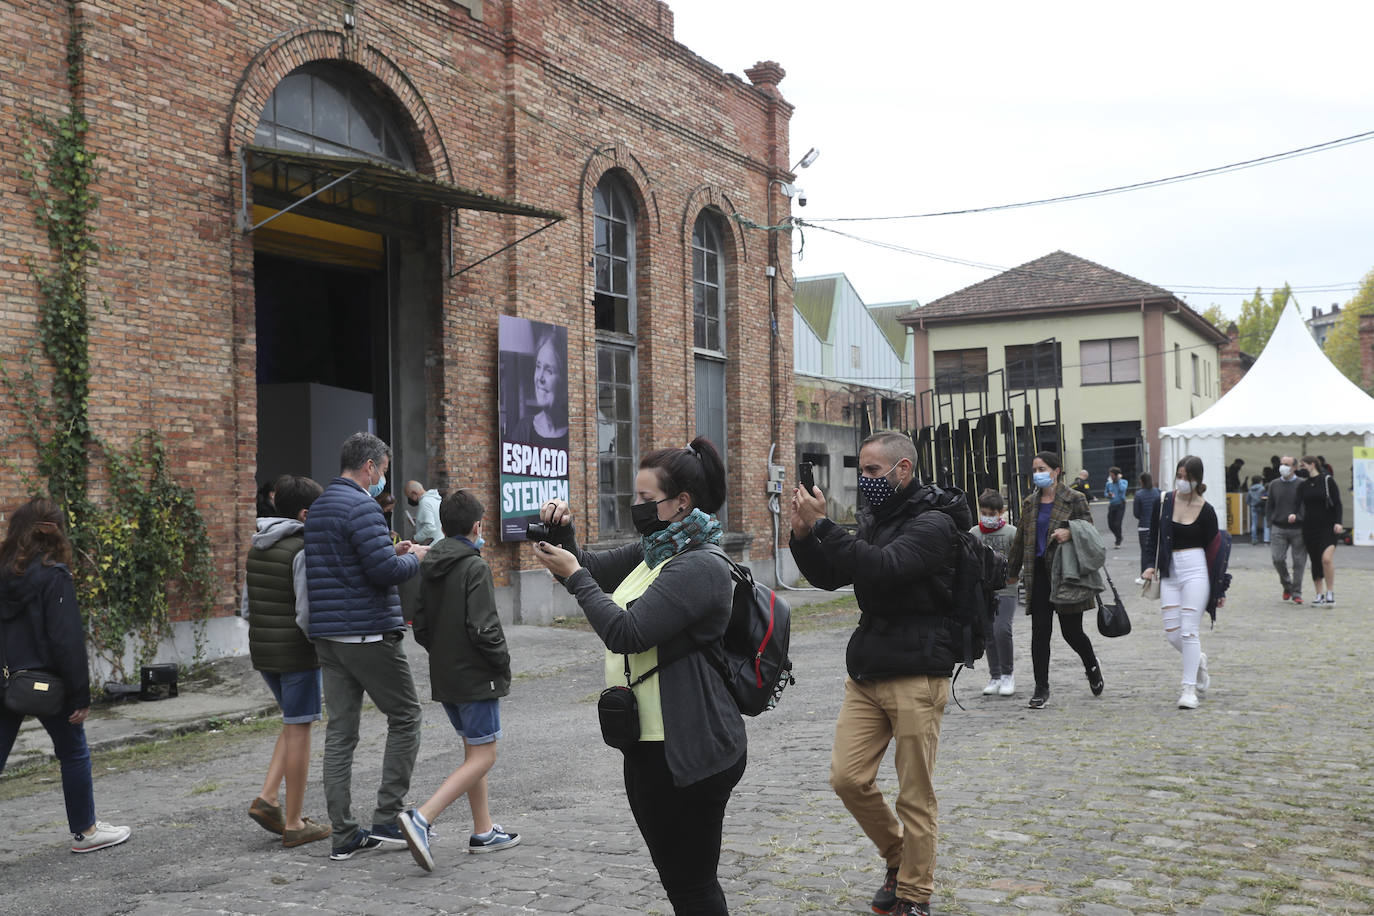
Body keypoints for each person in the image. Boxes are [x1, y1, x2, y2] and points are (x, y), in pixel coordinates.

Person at [530, 436, 745, 914]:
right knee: (679, 881)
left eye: (648, 499)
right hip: (651, 743)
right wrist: (562, 538)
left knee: (692, 885)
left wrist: (576, 577)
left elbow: (627, 631)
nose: (638, 507)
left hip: (691, 748)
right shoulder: (657, 549)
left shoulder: (700, 564)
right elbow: (589, 569)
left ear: (681, 503)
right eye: (637, 497)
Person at [789, 430, 966, 916]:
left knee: (915, 795)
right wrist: (805, 534)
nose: (864, 480)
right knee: (848, 779)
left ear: (902, 470)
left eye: (871, 471)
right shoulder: (874, 520)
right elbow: (833, 575)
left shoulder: (934, 524)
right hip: (868, 670)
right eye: (861, 471)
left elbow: (886, 568)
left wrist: (826, 526)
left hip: (917, 670)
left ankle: (913, 895)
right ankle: (898, 854)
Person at [304, 432, 430, 861]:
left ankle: (343, 835)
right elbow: (383, 572)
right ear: (371, 467)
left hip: (328, 636)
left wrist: (395, 547)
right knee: (407, 715)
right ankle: (386, 817)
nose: (383, 479)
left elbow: (348, 560)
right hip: (367, 634)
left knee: (340, 734)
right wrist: (416, 557)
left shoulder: (320, 506)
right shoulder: (363, 506)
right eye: (383, 471)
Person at [0, 497, 132, 854]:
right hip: (45, 684)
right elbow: (66, 640)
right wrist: (80, 696)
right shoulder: (53, 575)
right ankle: (86, 832)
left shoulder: (2, 571)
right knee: (73, 752)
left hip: (4, 678)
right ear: (54, 532)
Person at [399, 489, 519, 872]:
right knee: (486, 755)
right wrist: (501, 663)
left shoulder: (431, 564)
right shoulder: (475, 567)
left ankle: (483, 830)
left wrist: (445, 655)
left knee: (473, 753)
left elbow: (420, 625)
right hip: (475, 677)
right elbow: (484, 628)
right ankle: (422, 817)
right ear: (477, 526)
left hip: (446, 677)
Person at [243, 474, 332, 848]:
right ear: (305, 513)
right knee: (301, 729)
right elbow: (306, 613)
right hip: (297, 653)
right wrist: (322, 645)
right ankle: (295, 822)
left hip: (264, 651)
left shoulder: (257, 545)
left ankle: (268, 798)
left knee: (291, 724)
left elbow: (247, 607)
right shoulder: (301, 549)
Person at [1006, 451, 1104, 710]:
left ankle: (1091, 665)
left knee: (1071, 632)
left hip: (1065, 574)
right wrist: (1012, 572)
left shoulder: (1075, 499)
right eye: (1034, 469)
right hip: (1037, 574)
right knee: (1040, 632)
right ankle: (1041, 687)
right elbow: (1020, 539)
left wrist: (1069, 531)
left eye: (1042, 468)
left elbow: (1090, 531)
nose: (1037, 474)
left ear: (1057, 470)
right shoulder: (1030, 503)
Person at [1142, 456, 1229, 710]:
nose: (1182, 481)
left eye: (1187, 477)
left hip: (1196, 570)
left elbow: (1216, 552)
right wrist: (1148, 566)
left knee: (1189, 630)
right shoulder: (1164, 502)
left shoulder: (1206, 509)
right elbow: (1152, 537)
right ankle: (1198, 660)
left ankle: (1188, 688)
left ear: (1197, 479)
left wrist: (1220, 587)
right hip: (1169, 572)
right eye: (1179, 475)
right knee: (1173, 634)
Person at [973, 489, 1017, 698]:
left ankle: (1008, 674)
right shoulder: (974, 533)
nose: (988, 517)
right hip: (983, 590)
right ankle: (995, 675)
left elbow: (1019, 558)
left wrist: (1017, 575)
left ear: (1001, 512)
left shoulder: (1011, 532)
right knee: (988, 632)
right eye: (984, 512)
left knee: (1002, 629)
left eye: (992, 513)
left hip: (1006, 588)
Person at [508, 330, 568, 449]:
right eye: (538, 366)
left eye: (549, 370)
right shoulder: (523, 430)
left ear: (564, 381)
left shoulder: (575, 431)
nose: (539, 378)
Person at [1298, 456, 1343, 606]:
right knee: (1316, 561)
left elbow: (1337, 503)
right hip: (1309, 527)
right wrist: (1292, 514)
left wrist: (1338, 522)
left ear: (1312, 465)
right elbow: (1296, 504)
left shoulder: (1327, 480)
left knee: (1326, 559)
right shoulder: (1303, 485)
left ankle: (1330, 591)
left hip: (1328, 526)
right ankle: (1319, 594)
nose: (1301, 468)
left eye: (1303, 465)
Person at [1265, 455, 1306, 605]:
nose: (1283, 467)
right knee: (1277, 559)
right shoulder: (1274, 484)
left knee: (1299, 562)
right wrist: (1270, 522)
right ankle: (1287, 585)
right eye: (1282, 464)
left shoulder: (1302, 484)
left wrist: (1300, 517)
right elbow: (1269, 505)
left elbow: (1306, 505)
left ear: (1295, 467)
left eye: (1287, 464)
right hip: (1278, 527)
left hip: (1298, 528)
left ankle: (1297, 592)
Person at [1132, 473, 1161, 578]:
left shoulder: (1139, 494)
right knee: (1157, 550)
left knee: (1145, 552)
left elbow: (1136, 513)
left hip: (1144, 526)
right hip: (1157, 525)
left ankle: (1144, 575)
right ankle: (1158, 573)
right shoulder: (1158, 492)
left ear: (1142, 481)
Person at [403, 480, 443, 545]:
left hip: (432, 546)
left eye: (409, 497)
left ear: (414, 493)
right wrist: (419, 521)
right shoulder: (435, 499)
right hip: (439, 543)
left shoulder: (425, 502)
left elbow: (429, 527)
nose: (409, 500)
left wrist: (414, 539)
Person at [1104, 466, 1128, 548]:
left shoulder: (1124, 482)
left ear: (1117, 475)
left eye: (1112, 475)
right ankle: (1119, 536)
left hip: (1121, 504)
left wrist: (1118, 480)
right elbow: (1105, 493)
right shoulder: (1108, 483)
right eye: (1110, 475)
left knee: (1117, 523)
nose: (1110, 476)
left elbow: (1122, 489)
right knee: (1110, 524)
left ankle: (1118, 541)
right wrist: (1109, 495)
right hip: (1112, 505)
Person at [1246, 475, 1266, 546]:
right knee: (1265, 522)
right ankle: (1265, 538)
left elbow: (1247, 500)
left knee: (1254, 523)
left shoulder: (1250, 489)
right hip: (1262, 506)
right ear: (1260, 481)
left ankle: (1254, 539)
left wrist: (1250, 504)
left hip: (1253, 507)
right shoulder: (1262, 488)